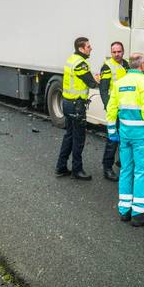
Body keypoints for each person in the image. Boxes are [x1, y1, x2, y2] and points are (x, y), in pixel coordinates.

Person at [106, 53, 144, 227]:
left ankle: (124, 210)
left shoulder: (119, 83)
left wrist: (111, 130)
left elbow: (111, 108)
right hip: (141, 136)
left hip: (125, 135)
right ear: (142, 65)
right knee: (142, 172)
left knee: (126, 170)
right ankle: (138, 212)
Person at [56, 37, 100, 180]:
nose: (90, 48)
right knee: (79, 138)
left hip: (68, 103)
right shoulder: (81, 64)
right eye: (88, 46)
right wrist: (99, 80)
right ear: (81, 49)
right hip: (76, 106)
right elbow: (92, 83)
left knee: (69, 135)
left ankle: (61, 167)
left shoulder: (71, 59)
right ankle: (77, 170)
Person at [99, 41, 129, 182]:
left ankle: (121, 162)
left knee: (126, 137)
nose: (117, 54)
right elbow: (103, 89)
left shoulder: (126, 65)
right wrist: (108, 106)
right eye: (114, 52)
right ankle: (107, 168)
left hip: (126, 108)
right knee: (112, 139)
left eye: (119, 51)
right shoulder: (107, 66)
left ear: (123, 52)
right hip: (114, 108)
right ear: (111, 53)